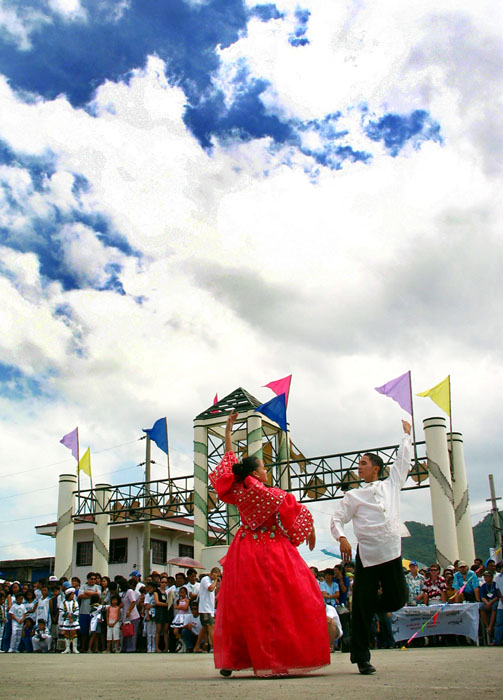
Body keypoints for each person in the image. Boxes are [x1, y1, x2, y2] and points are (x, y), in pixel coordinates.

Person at [209, 410, 329, 677]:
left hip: (242, 549)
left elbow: (229, 463)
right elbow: (291, 508)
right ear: (256, 472)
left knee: (240, 604)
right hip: (271, 549)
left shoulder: (237, 488)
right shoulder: (268, 493)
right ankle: (273, 659)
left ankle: (233, 658)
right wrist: (308, 529)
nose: (267, 470)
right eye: (263, 467)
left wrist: (228, 433)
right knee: (281, 602)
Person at [330, 420, 412, 674]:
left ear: (376, 468)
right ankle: (361, 657)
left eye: (364, 463)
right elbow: (336, 519)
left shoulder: (392, 485)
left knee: (399, 598)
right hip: (367, 556)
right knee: (363, 607)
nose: (359, 467)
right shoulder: (353, 495)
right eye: (358, 464)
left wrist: (406, 437)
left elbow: (403, 462)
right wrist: (342, 537)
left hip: (391, 552)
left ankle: (365, 607)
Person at [193, 568, 220, 653]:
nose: (218, 578)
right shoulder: (206, 579)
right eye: (217, 575)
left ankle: (196, 646)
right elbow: (210, 588)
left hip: (210, 608)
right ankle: (215, 647)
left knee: (205, 627)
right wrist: (215, 581)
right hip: (205, 608)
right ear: (213, 573)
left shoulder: (212, 581)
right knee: (211, 627)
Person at [60, 587, 80, 654]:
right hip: (66, 620)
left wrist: (73, 618)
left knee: (74, 633)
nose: (73, 596)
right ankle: (67, 648)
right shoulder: (63, 603)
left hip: (73, 620)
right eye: (71, 594)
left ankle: (74, 648)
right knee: (67, 633)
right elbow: (61, 611)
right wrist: (66, 615)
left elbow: (77, 611)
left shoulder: (75, 602)